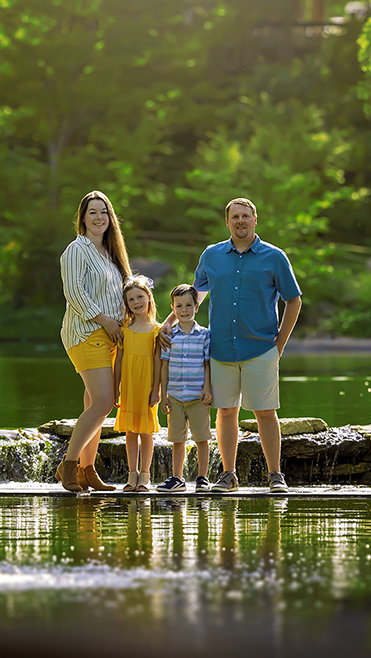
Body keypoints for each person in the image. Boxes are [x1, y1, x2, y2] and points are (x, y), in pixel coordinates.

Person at [165, 197, 301, 493]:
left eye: (245, 216)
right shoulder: (212, 256)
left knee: (265, 412)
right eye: (235, 216)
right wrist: (168, 324)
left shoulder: (274, 257)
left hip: (261, 348)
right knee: (226, 412)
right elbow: (194, 298)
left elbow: (294, 300)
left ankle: (275, 475)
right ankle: (228, 475)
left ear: (255, 220)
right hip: (221, 349)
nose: (240, 221)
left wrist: (279, 344)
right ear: (227, 222)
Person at [56, 190, 131, 492]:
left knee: (95, 403)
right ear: (82, 218)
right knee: (103, 401)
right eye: (93, 212)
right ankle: (68, 465)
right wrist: (106, 321)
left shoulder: (111, 255)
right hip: (87, 333)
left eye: (104, 212)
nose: (99, 217)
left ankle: (88, 470)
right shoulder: (76, 250)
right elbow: (74, 294)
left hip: (111, 335)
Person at [157, 284, 212, 493]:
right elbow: (164, 367)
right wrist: (164, 396)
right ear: (173, 308)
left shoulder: (205, 335)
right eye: (179, 306)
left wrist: (207, 388)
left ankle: (202, 478)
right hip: (176, 397)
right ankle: (177, 478)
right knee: (177, 439)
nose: (184, 310)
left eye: (188, 305)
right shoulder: (170, 335)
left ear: (196, 307)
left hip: (198, 396)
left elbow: (207, 363)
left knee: (202, 438)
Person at [113, 275, 162, 492]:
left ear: (149, 298)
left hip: (147, 386)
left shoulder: (156, 330)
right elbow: (119, 361)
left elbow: (159, 363)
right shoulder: (124, 328)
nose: (136, 302)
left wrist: (157, 390)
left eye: (140, 297)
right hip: (128, 386)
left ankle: (145, 475)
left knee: (146, 432)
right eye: (131, 299)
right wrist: (115, 387)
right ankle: (131, 475)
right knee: (130, 432)